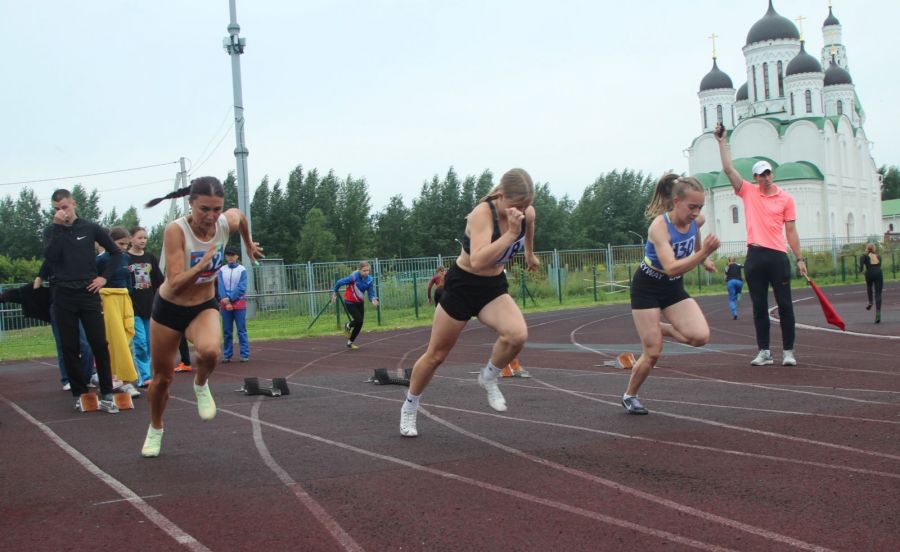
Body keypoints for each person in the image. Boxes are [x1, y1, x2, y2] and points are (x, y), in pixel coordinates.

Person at [399, 168, 539, 437]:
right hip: (462, 286)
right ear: (501, 196)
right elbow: (478, 260)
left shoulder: (526, 213)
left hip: (492, 288)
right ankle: (410, 405)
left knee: (517, 335)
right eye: (517, 205)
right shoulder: (482, 214)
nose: (521, 212)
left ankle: (488, 377)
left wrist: (530, 254)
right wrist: (510, 234)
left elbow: (530, 226)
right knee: (436, 355)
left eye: (526, 205)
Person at [140, 176, 262, 458]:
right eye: (204, 209)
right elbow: (174, 282)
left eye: (216, 209)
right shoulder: (176, 230)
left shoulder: (224, 223)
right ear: (191, 203)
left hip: (203, 305)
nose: (211, 216)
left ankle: (200, 383)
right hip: (169, 308)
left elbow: (240, 216)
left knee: (210, 352)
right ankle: (156, 427)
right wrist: (202, 266)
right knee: (162, 379)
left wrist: (247, 244)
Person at [620, 174, 720, 415]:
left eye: (700, 207)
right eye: (692, 207)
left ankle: (661, 328)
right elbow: (672, 267)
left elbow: (695, 237)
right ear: (676, 202)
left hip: (673, 288)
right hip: (647, 287)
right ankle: (630, 396)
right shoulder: (659, 227)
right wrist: (703, 254)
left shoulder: (696, 221)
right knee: (653, 352)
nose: (696, 213)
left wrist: (703, 258)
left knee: (700, 337)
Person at [715, 123, 807, 366]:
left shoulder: (786, 199)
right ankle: (764, 351)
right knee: (759, 306)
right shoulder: (748, 192)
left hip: (778, 256)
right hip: (755, 255)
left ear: (772, 174)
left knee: (785, 305)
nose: (766, 178)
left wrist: (799, 258)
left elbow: (791, 230)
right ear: (755, 178)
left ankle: (788, 352)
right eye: (761, 175)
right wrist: (722, 142)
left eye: (768, 173)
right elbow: (728, 169)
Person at [43, 188, 122, 413]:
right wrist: (58, 227)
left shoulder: (90, 228)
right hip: (63, 294)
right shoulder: (51, 231)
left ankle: (107, 393)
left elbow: (116, 253)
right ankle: (80, 393)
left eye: (65, 207)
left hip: (88, 292)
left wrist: (103, 278)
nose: (62, 212)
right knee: (70, 347)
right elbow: (51, 257)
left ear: (74, 204)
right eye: (57, 209)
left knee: (99, 344)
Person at [96, 226, 140, 397]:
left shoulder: (127, 258)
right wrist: (99, 301)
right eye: (120, 243)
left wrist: (129, 296)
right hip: (108, 300)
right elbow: (95, 281)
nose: (124, 247)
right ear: (110, 242)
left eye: (126, 244)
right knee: (115, 340)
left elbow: (129, 279)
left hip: (124, 299)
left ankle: (123, 378)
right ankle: (118, 378)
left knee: (127, 339)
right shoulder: (101, 260)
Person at [127, 226, 164, 387]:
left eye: (145, 238)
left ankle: (148, 373)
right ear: (131, 239)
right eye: (139, 237)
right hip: (133, 307)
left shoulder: (150, 257)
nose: (143, 241)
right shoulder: (125, 258)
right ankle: (144, 376)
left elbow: (159, 282)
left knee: (149, 343)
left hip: (150, 307)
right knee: (140, 342)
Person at [331, 261, 379, 349]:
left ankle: (350, 343)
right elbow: (339, 282)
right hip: (350, 302)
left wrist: (372, 299)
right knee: (358, 320)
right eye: (364, 270)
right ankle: (348, 325)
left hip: (360, 302)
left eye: (368, 270)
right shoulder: (353, 277)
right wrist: (335, 292)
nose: (366, 272)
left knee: (360, 323)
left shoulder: (369, 279)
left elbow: (370, 293)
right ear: (359, 270)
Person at [218, 246, 250, 362]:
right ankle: (227, 355)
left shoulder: (242, 270)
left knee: (241, 330)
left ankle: (244, 354)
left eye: (232, 255)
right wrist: (225, 300)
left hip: (239, 303)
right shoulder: (222, 270)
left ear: (237, 256)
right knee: (227, 331)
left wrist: (230, 298)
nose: (230, 257)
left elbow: (242, 287)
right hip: (225, 303)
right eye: (228, 255)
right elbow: (220, 286)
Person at [859, 244, 883, 323]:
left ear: (867, 248)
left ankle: (870, 302)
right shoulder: (879, 256)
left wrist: (862, 272)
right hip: (878, 273)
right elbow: (879, 265)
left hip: (869, 273)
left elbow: (861, 268)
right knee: (878, 293)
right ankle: (878, 313)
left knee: (869, 287)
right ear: (874, 249)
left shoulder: (863, 256)